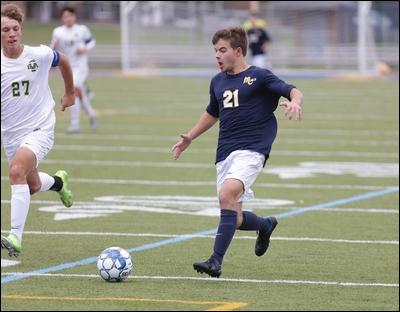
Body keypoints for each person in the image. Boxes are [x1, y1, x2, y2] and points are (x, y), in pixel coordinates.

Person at [172, 27, 303, 278]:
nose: (217, 56)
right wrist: (190, 136)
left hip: (252, 150)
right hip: (225, 154)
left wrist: (295, 101)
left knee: (226, 196)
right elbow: (213, 112)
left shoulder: (260, 76)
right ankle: (265, 225)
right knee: (236, 216)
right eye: (215, 51)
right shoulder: (217, 81)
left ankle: (215, 261)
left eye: (222, 50)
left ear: (238, 51)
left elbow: (292, 90)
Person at [1, 3, 75, 257]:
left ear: (21, 30)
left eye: (15, 28)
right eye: (5, 30)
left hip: (40, 128)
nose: (11, 34)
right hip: (12, 135)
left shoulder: (39, 55)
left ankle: (15, 237)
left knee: (16, 171)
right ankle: (57, 182)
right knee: (29, 185)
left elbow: (63, 60)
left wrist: (69, 92)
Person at [51, 6, 97, 134]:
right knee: (78, 91)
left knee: (73, 89)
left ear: (74, 17)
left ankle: (75, 125)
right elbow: (53, 48)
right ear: (62, 18)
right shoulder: (58, 32)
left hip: (80, 66)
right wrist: (53, 47)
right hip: (67, 67)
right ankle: (92, 113)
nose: (68, 19)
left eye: (70, 16)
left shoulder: (82, 30)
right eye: (65, 16)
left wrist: (85, 49)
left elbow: (91, 42)